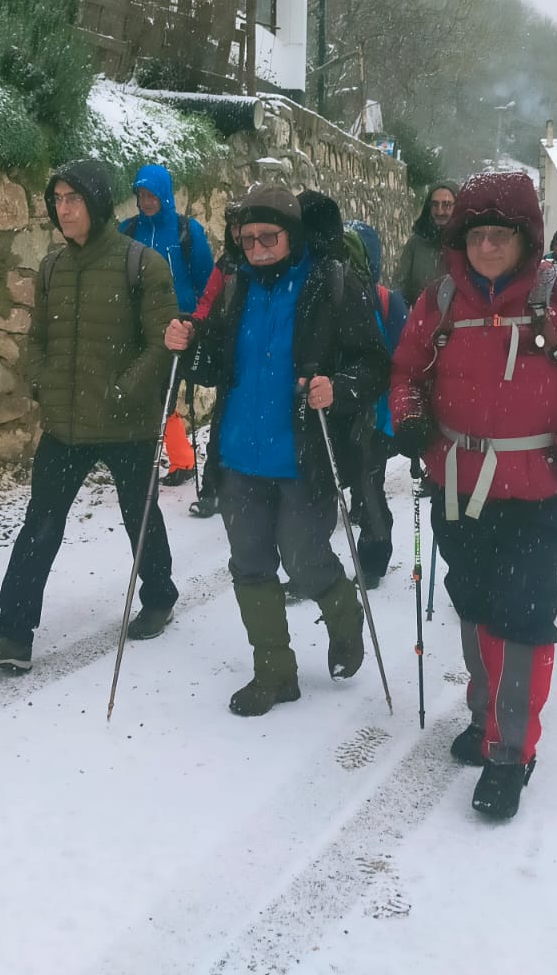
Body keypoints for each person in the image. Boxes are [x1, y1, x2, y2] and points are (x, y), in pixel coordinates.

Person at [391, 170, 557, 820]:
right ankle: (485, 715)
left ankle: (511, 753)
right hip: (458, 487)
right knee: (473, 604)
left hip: (537, 490)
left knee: (519, 618)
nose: (488, 247)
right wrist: (409, 415)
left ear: (526, 237)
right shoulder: (442, 299)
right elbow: (406, 370)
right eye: (476, 235)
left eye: (501, 235)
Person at [166, 184, 388, 716]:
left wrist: (338, 387)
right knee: (249, 564)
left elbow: (375, 364)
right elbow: (215, 362)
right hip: (239, 453)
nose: (259, 247)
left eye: (270, 236)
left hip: (304, 455)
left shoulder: (332, 283)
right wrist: (188, 341)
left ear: (292, 233)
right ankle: (275, 673)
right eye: (248, 239)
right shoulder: (236, 286)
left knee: (305, 560)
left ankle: (343, 613)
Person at [0, 159, 180, 671]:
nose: (63, 209)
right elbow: (37, 340)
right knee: (40, 524)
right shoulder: (53, 267)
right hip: (65, 424)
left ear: (97, 203)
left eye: (73, 199)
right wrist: (41, 380)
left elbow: (161, 346)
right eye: (56, 200)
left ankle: (160, 594)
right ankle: (12, 633)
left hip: (125, 423)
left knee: (138, 516)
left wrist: (123, 391)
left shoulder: (142, 264)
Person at [121, 164, 215, 487]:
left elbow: (207, 280)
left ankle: (178, 460)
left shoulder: (187, 230)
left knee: (163, 396)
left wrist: (198, 323)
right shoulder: (128, 231)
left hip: (180, 327)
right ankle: (181, 459)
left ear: (165, 195)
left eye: (152, 195)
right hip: (138, 327)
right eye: (142, 195)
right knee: (150, 396)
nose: (146, 201)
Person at [344, 219, 409, 589]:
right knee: (358, 480)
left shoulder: (387, 301)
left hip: (377, 410)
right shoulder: (332, 294)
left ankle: (373, 558)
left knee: (369, 482)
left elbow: (406, 359)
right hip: (340, 403)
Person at [184, 204, 244, 520]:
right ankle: (211, 491)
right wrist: (195, 325)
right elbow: (208, 300)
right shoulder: (227, 264)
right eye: (232, 227)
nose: (237, 233)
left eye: (241, 225)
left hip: (255, 356)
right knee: (220, 426)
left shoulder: (263, 263)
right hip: (228, 356)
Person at [392, 180, 458, 309]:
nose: (439, 212)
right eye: (435, 205)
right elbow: (399, 287)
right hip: (422, 322)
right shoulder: (416, 243)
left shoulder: (466, 244)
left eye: (446, 205)